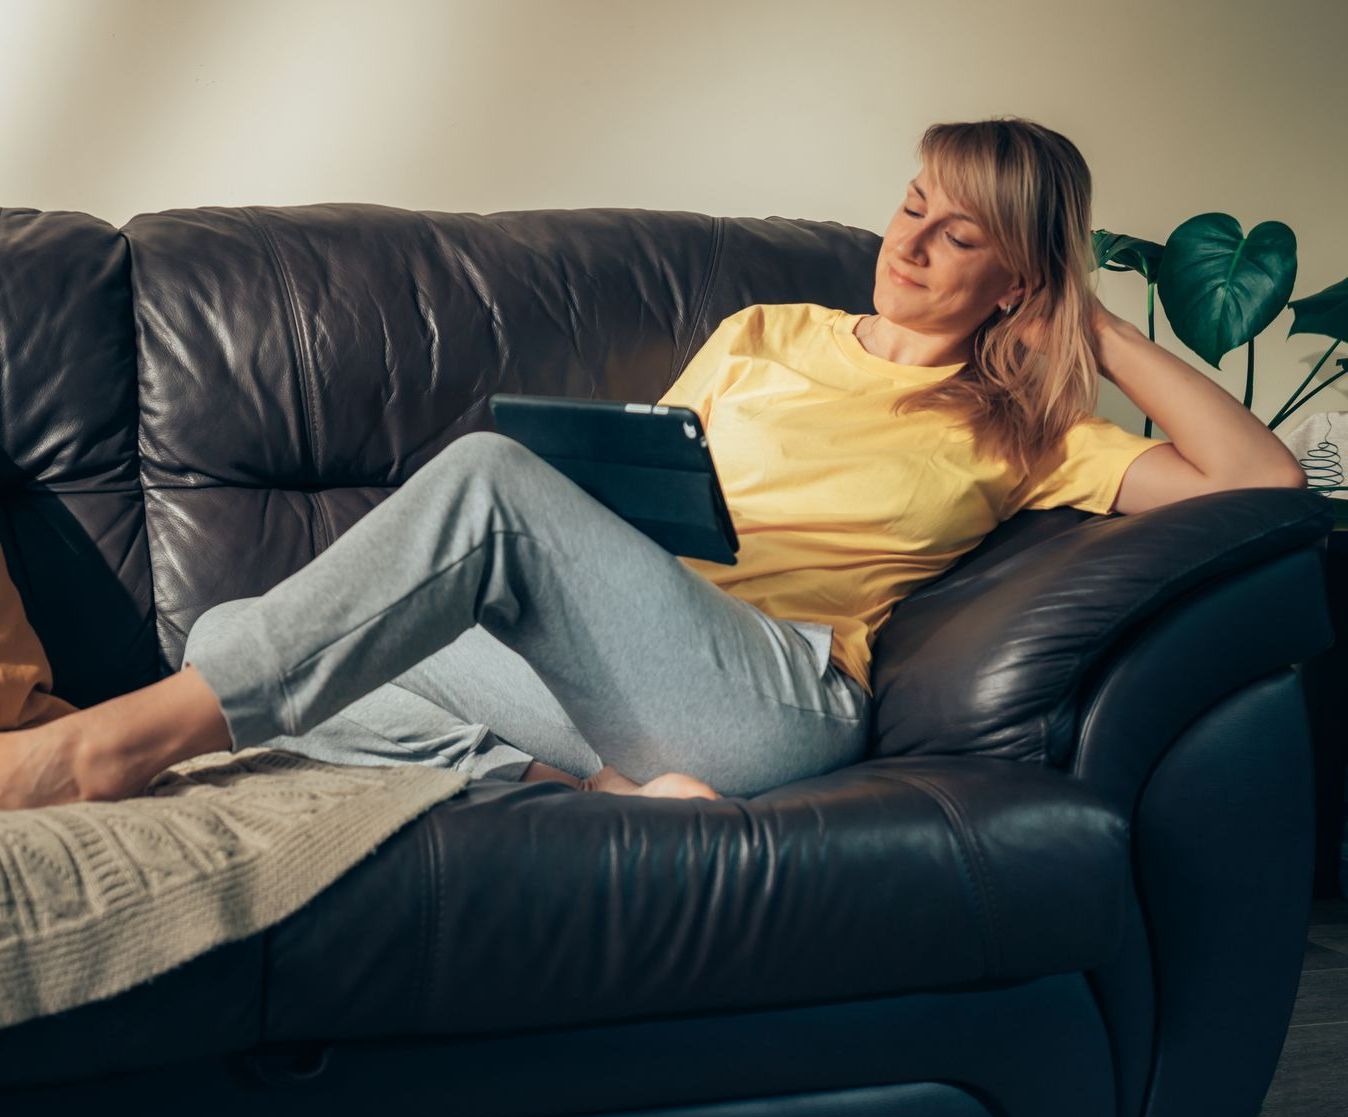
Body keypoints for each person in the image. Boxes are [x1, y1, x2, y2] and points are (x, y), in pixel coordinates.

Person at [0, 117, 1304, 810]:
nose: (910, 240)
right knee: (249, 626)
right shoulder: (764, 330)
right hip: (629, 665)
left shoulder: (1035, 434)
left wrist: (1102, 324)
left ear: (1016, 276)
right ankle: (596, 786)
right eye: (913, 202)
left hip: (777, 695)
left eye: (960, 234)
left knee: (486, 484)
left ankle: (109, 752)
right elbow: (639, 481)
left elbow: (1263, 487)